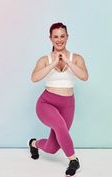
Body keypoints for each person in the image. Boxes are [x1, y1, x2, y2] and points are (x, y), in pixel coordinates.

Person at [29, 22, 88, 176]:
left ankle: (33, 143)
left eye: (62, 36)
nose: (59, 39)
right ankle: (73, 160)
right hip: (46, 103)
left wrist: (67, 61)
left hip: (68, 105)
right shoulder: (44, 59)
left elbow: (84, 76)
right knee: (60, 125)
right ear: (50, 38)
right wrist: (54, 63)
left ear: (67, 37)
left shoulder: (76, 58)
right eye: (56, 36)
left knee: (52, 148)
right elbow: (34, 78)